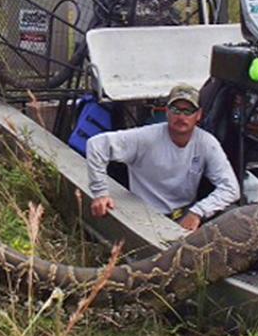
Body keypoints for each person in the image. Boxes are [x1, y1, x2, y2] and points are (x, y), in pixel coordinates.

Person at [86, 83, 239, 231]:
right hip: (145, 217)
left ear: (198, 115)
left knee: (233, 215)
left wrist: (198, 212)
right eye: (175, 110)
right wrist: (100, 194)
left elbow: (231, 189)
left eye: (188, 111)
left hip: (185, 215)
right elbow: (96, 145)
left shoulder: (207, 143)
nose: (181, 116)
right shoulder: (145, 137)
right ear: (167, 112)